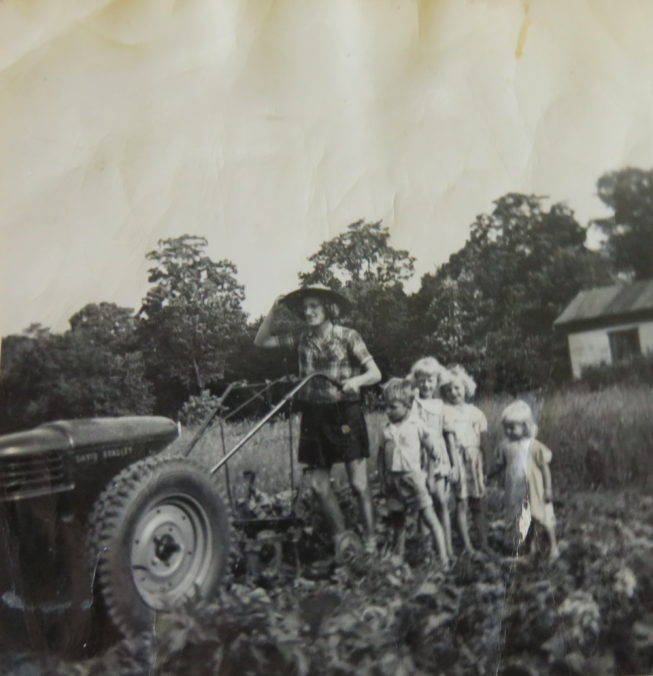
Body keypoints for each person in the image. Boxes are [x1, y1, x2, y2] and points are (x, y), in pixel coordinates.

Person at [254, 285, 381, 554]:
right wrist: (273, 312)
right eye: (305, 307)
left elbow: (375, 373)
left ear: (328, 309)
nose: (308, 311)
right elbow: (261, 342)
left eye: (314, 306)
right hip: (314, 416)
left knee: (358, 483)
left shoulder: (348, 336)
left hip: (345, 413)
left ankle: (370, 541)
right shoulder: (301, 338)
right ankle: (342, 540)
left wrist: (356, 381)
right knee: (319, 486)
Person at [377, 378, 449, 567]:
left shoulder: (417, 425)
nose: (388, 411)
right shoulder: (386, 430)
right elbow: (380, 454)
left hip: (413, 479)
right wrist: (383, 477)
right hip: (393, 480)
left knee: (428, 516)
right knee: (397, 519)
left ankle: (443, 557)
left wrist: (430, 475)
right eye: (386, 407)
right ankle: (398, 554)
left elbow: (433, 451)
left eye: (393, 407)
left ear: (407, 406)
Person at [492, 400, 559, 560]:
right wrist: (488, 475)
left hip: (535, 489)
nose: (508, 431)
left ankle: (553, 546)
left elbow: (544, 469)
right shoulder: (505, 446)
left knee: (542, 516)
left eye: (513, 427)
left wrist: (548, 489)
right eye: (506, 427)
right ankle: (531, 547)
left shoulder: (534, 446)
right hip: (516, 489)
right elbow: (500, 465)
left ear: (526, 426)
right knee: (523, 518)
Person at [409, 356, 454, 558]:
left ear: (437, 382)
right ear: (416, 380)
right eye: (422, 380)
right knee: (423, 503)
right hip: (420, 456)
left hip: (439, 456)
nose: (426, 384)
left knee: (442, 501)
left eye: (431, 380)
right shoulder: (413, 404)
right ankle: (426, 548)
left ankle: (447, 546)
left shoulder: (441, 405)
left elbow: (448, 434)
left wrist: (454, 463)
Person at [441, 364, 489, 553]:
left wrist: (486, 462)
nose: (453, 393)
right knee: (461, 501)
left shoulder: (475, 412)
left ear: (466, 388)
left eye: (457, 388)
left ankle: (483, 542)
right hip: (457, 460)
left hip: (474, 459)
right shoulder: (445, 413)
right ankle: (467, 545)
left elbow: (484, 440)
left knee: (478, 501)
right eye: (448, 389)